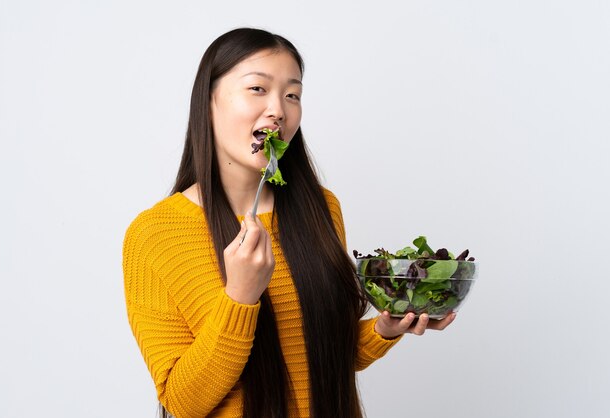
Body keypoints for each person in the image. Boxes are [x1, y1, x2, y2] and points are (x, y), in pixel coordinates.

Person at [122, 27, 456, 418]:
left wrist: (386, 329)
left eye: (292, 94)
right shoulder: (155, 234)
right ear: (209, 101)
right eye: (257, 89)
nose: (278, 109)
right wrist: (241, 297)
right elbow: (183, 403)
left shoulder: (321, 208)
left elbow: (325, 356)